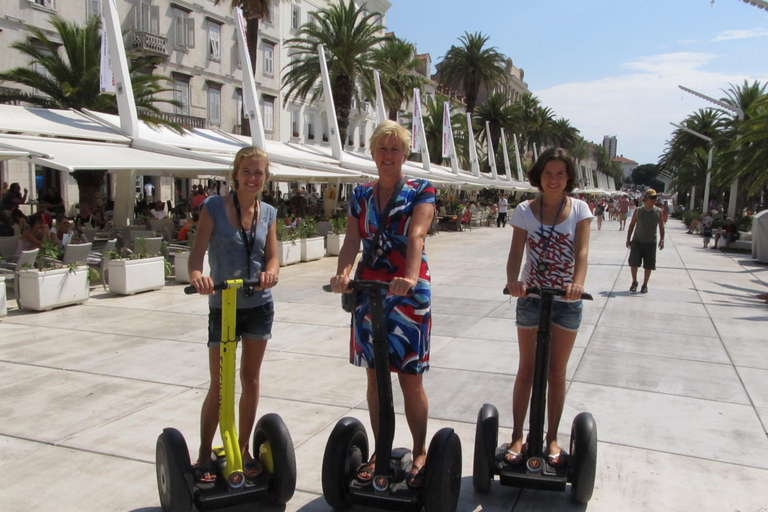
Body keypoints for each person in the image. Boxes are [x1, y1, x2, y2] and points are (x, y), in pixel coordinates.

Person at [329, 120, 435, 488]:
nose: (388, 155)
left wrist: (407, 277)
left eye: (395, 149)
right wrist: (343, 273)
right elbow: (351, 240)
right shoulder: (360, 195)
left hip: (407, 294)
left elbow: (417, 234)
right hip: (369, 293)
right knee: (375, 380)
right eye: (382, 148)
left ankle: (420, 450)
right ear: (372, 153)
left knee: (409, 379)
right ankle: (380, 449)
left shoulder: (421, 189)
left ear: (405, 154)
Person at [188, 146, 279, 487]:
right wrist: (198, 276)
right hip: (222, 305)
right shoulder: (213, 207)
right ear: (236, 173)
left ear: (265, 178)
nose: (252, 178)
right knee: (221, 384)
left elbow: (273, 258)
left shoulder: (268, 212)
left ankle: (242, 448)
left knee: (250, 380)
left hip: (259, 306)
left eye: (259, 173)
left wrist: (271, 273)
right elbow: (196, 255)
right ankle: (202, 453)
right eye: (247, 171)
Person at [503, 147, 592, 468]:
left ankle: (552, 436)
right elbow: (516, 252)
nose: (553, 180)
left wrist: (577, 284)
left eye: (560, 174)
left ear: (568, 178)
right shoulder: (525, 210)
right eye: (547, 173)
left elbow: (581, 253)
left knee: (556, 372)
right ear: (539, 176)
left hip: (567, 302)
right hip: (531, 298)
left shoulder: (580, 209)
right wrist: (513, 281)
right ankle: (516, 434)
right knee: (526, 369)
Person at [626, 189, 665, 293]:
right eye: (652, 198)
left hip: (651, 242)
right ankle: (634, 282)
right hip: (637, 241)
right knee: (633, 263)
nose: (654, 200)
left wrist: (662, 240)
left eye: (655, 198)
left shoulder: (658, 211)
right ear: (646, 198)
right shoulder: (638, 210)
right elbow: (631, 225)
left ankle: (645, 285)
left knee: (649, 265)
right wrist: (628, 239)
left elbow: (661, 227)